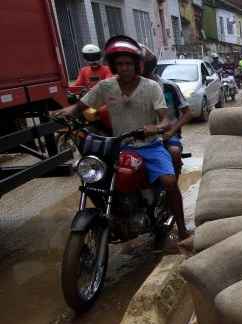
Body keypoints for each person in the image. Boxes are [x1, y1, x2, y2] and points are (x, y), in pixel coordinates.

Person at [52, 35, 191, 241]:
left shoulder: (152, 87)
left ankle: (182, 230)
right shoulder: (105, 86)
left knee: (169, 181)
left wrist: (155, 128)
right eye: (120, 64)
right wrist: (68, 112)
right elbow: (81, 105)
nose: (125, 68)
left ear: (137, 65)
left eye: (128, 63)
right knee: (97, 179)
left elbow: (166, 120)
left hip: (149, 146)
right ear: (114, 66)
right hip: (120, 147)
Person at [143, 47, 192, 176]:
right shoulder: (126, 88)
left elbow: (187, 112)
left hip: (167, 134)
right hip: (138, 135)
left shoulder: (169, 87)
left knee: (174, 153)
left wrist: (170, 132)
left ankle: (173, 186)